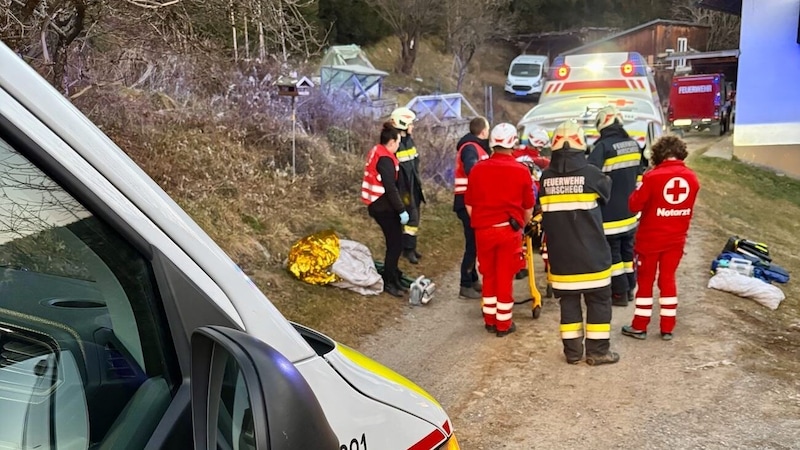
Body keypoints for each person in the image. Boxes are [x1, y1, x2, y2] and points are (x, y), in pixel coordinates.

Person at [539, 120, 619, 365]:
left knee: (569, 303)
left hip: (562, 258)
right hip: (593, 256)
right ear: (580, 144)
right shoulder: (592, 175)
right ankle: (597, 352)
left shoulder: (544, 178)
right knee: (599, 302)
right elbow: (607, 193)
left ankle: (572, 353)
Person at [621, 135, 700, 341]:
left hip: (649, 241)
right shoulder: (692, 178)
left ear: (657, 154)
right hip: (676, 240)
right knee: (668, 280)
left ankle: (640, 326)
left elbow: (634, 205)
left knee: (645, 282)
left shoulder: (652, 177)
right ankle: (667, 327)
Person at [465, 123, 534, 337]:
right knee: (505, 276)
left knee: (488, 275)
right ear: (513, 143)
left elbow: (469, 204)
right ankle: (504, 324)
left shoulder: (478, 169)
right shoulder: (521, 171)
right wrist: (521, 226)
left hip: (483, 230)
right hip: (508, 231)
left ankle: (490, 319)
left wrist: (483, 221)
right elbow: (528, 207)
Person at [587, 105, 641, 307]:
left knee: (613, 255)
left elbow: (590, 176)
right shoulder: (633, 144)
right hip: (630, 213)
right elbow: (639, 176)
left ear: (602, 124)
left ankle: (618, 293)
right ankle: (629, 289)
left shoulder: (603, 147)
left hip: (609, 214)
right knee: (628, 253)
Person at [361, 122, 410, 298]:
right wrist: (401, 210)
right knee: (395, 245)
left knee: (394, 243)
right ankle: (390, 281)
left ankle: (394, 275)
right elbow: (390, 188)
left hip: (378, 204)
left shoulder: (378, 150)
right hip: (383, 207)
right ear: (392, 143)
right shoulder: (386, 159)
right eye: (397, 142)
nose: (398, 146)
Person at [453, 117, 491, 299]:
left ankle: (473, 278)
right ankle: (465, 283)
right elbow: (472, 170)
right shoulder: (470, 147)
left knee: (475, 242)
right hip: (467, 201)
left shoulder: (477, 147)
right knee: (473, 244)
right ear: (483, 131)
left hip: (472, 200)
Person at [391, 107, 426, 265]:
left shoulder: (408, 141)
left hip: (413, 184)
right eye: (411, 123)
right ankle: (407, 250)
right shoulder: (395, 143)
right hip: (403, 187)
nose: (413, 126)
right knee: (410, 217)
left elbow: (414, 163)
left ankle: (410, 247)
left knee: (415, 215)